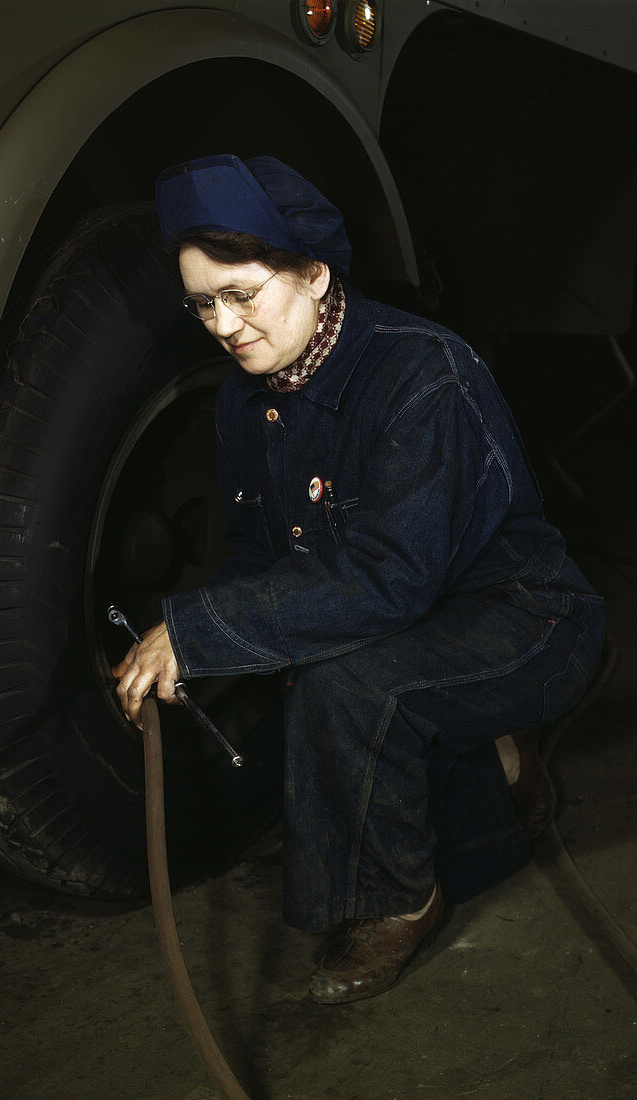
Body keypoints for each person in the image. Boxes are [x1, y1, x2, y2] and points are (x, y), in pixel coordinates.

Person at [112, 154, 606, 1004]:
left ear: (312, 272)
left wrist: (198, 631)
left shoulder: (420, 372)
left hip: (523, 620)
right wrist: (188, 645)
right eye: (202, 304)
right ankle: (495, 770)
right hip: (415, 624)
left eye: (242, 294)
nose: (225, 327)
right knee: (316, 662)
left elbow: (390, 581)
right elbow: (264, 564)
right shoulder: (244, 399)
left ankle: (394, 902)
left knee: (348, 681)